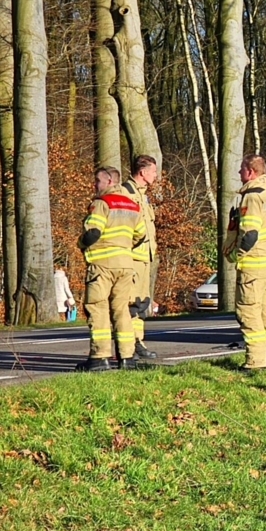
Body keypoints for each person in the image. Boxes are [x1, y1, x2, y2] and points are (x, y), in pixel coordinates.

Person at [223, 154, 266, 373]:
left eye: (241, 169)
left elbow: (249, 235)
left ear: (251, 172)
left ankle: (255, 362)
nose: (239, 173)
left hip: (254, 267)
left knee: (248, 312)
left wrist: (235, 256)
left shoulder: (252, 197)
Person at [76, 166, 145, 371]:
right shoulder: (133, 205)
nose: (94, 185)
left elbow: (93, 233)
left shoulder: (101, 203)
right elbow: (140, 235)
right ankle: (127, 357)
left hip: (102, 265)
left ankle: (100, 357)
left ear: (108, 182)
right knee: (122, 310)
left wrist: (80, 244)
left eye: (97, 180)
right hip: (126, 264)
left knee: (98, 308)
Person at [122, 155, 159, 359]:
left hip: (144, 258)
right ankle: (130, 344)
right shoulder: (127, 193)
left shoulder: (143, 195)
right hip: (132, 258)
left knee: (141, 302)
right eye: (153, 171)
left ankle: (138, 341)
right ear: (143, 172)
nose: (155, 175)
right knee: (130, 303)